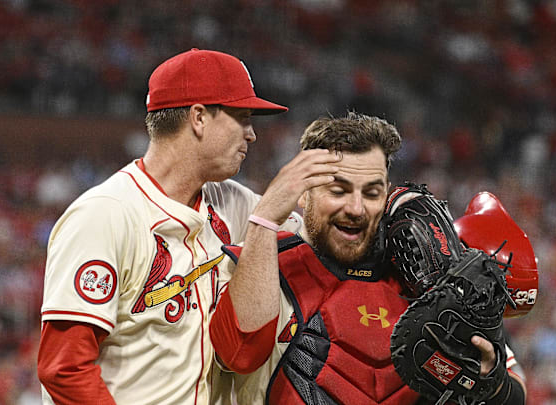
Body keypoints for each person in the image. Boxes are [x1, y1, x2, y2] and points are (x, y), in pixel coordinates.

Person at [37, 48, 342, 405]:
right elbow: (64, 369)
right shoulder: (106, 215)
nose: (252, 134)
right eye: (242, 118)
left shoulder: (234, 203)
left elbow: (322, 231)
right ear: (199, 117)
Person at [209, 112, 528, 404]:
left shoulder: (418, 276)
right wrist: (265, 218)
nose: (356, 208)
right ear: (304, 193)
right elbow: (237, 354)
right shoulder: (264, 263)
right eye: (339, 190)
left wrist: (490, 378)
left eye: (372, 193)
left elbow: (514, 389)